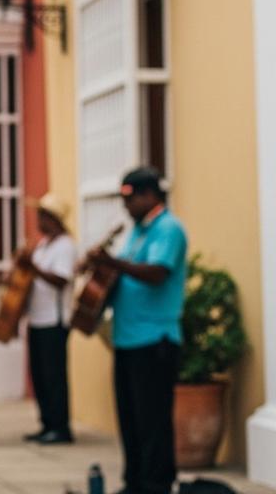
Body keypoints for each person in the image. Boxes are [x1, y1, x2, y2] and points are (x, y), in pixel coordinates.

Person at [86, 167, 187, 494]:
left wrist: (113, 263)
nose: (125, 207)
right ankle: (135, 483)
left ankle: (156, 485)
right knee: (130, 419)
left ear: (149, 195)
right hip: (127, 340)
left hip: (155, 340)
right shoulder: (137, 231)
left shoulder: (168, 229)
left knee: (153, 421)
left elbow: (157, 273)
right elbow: (122, 276)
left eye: (130, 199)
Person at [17, 194, 78, 445]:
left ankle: (60, 427)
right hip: (37, 319)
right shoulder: (43, 245)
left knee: (54, 377)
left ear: (53, 219)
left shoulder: (65, 246)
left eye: (42, 215)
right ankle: (46, 424)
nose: (38, 220)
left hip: (55, 320)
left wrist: (33, 268)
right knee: (40, 376)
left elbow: (62, 279)